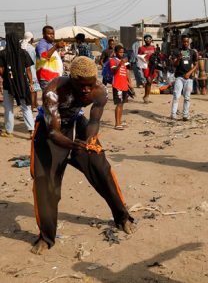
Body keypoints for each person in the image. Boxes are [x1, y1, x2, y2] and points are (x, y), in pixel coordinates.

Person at [30, 56, 134, 255]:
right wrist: (72, 144)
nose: (86, 89)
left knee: (101, 169)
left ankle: (123, 217)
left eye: (90, 85)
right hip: (50, 130)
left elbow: (94, 121)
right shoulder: (53, 91)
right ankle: (46, 237)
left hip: (77, 123)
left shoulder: (99, 91)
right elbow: (53, 132)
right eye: (81, 85)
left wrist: (89, 140)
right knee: (45, 182)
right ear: (72, 79)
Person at [0, 32, 35, 137]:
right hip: (22, 83)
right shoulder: (24, 53)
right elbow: (28, 69)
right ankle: (31, 130)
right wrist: (31, 83)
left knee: (9, 107)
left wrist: (6, 76)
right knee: (25, 107)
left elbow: (1, 70)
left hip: (8, 84)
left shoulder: (2, 54)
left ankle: (9, 131)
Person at [171, 36, 198, 121]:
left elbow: (196, 64)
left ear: (189, 42)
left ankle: (185, 115)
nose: (185, 43)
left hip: (189, 78)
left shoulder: (192, 52)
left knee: (187, 97)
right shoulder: (176, 51)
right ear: (181, 42)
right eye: (184, 42)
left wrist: (189, 73)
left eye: (187, 42)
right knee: (176, 96)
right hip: (179, 76)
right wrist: (179, 58)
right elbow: (174, 65)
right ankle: (173, 115)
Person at [110, 45, 132, 130]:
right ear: (115, 52)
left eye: (123, 52)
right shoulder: (113, 60)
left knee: (122, 104)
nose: (122, 54)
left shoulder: (124, 61)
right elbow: (113, 70)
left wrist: (129, 83)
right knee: (119, 104)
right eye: (120, 52)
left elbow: (127, 72)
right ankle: (117, 123)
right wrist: (120, 64)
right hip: (117, 85)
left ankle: (120, 121)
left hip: (124, 85)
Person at [35, 26, 64, 90]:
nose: (52, 36)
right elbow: (44, 57)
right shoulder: (42, 44)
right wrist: (56, 46)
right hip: (46, 78)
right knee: (49, 98)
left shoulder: (50, 44)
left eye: (53, 34)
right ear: (43, 34)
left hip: (53, 77)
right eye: (49, 34)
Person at [21, 32, 42, 111]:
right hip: (32, 71)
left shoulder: (22, 47)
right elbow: (35, 60)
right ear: (32, 39)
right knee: (33, 89)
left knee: (31, 89)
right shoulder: (32, 49)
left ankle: (35, 104)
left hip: (23, 71)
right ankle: (33, 105)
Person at [138, 34, 156, 103]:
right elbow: (139, 57)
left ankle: (146, 96)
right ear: (144, 40)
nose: (148, 40)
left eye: (149, 39)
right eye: (146, 39)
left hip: (153, 66)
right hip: (145, 66)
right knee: (148, 80)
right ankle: (146, 97)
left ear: (151, 40)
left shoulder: (153, 47)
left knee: (150, 82)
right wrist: (144, 60)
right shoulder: (141, 48)